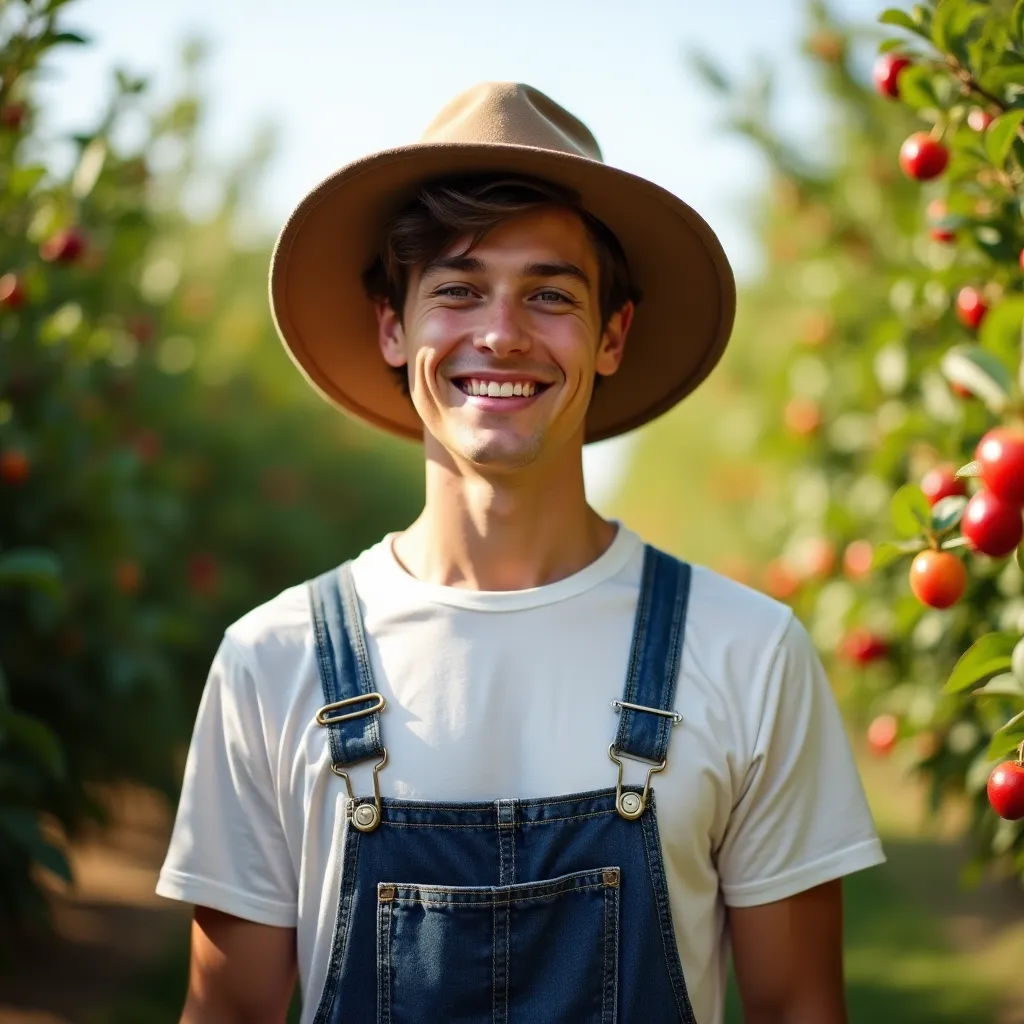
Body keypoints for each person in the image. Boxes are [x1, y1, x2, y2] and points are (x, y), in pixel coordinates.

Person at [157, 82, 885, 1024]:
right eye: (458, 289)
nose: (501, 332)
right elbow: (230, 1012)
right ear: (393, 326)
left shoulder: (748, 652)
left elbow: (798, 1009)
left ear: (611, 335)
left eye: (550, 295)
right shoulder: (272, 661)